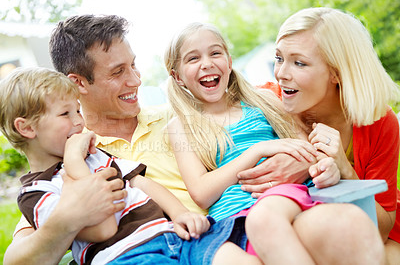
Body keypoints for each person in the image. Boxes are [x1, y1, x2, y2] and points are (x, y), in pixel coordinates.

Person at [2, 14, 384, 264]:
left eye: (134, 65)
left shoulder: (181, 116)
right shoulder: (77, 154)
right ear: (78, 83)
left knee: (348, 225)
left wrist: (300, 158)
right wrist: (67, 218)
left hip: (232, 234)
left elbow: (292, 116)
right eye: (119, 72)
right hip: (197, 243)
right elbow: (22, 254)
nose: (136, 80)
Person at [164, 21, 384, 264]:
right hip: (233, 220)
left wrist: (326, 169)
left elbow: (306, 150)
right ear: (178, 77)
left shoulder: (263, 100)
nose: (207, 63)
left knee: (272, 218)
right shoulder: (181, 126)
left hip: (283, 196)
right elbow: (202, 193)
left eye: (215, 53)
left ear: (229, 61)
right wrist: (258, 150)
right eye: (193, 59)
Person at [1, 67, 260, 265]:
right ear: (26, 128)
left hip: (170, 235)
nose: (79, 122)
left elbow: (141, 182)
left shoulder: (97, 156)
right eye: (65, 114)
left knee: (234, 256)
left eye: (76, 111)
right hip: (127, 254)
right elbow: (104, 229)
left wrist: (180, 214)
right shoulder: (37, 192)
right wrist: (73, 163)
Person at [259, 7, 400, 264]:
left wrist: (344, 169)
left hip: (361, 230)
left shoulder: (380, 123)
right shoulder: (263, 104)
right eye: (279, 59)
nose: (281, 73)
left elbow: (381, 230)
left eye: (299, 62)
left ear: (336, 72)